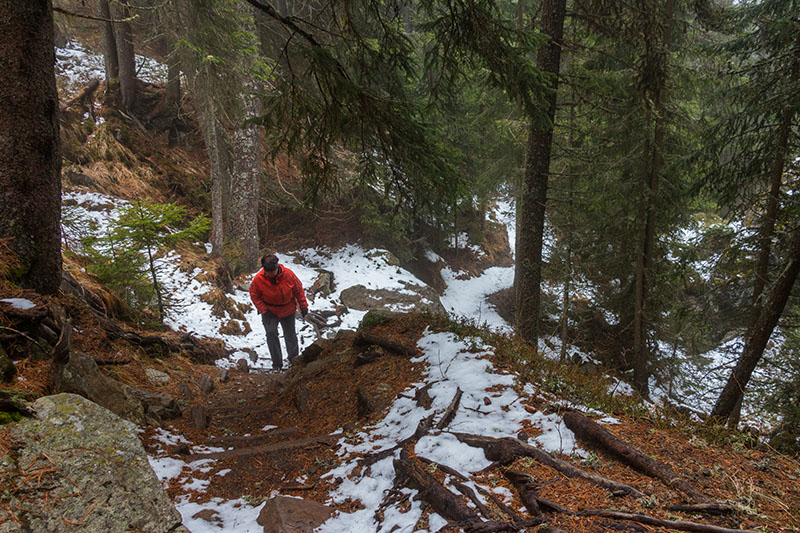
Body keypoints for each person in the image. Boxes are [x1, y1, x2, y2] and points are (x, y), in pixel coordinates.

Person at [249, 254, 309, 371]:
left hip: (287, 309)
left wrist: (303, 306)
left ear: (277, 267)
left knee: (290, 335)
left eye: (273, 271)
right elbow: (254, 295)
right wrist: (264, 310)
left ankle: (294, 361)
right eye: (268, 272)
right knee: (271, 334)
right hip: (269, 311)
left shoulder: (289, 275)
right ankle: (277, 364)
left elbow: (298, 290)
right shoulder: (258, 279)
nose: (271, 274)